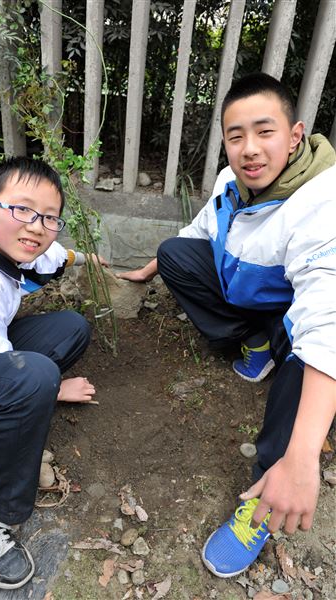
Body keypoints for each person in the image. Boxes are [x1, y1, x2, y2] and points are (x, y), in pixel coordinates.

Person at [118, 73, 336, 577]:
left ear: (296, 135)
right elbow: (203, 231)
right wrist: (154, 266)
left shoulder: (320, 204)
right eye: (236, 136)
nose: (249, 149)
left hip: (302, 321)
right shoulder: (231, 182)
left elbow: (326, 323)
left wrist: (304, 458)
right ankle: (253, 346)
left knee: (309, 367)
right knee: (174, 253)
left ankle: (268, 493)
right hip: (259, 305)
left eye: (265, 132)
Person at [0, 157, 108, 589]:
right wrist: (50, 388)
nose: (36, 226)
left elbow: (48, 254)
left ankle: (28, 391)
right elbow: (4, 365)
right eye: (23, 210)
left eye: (49, 217)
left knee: (71, 327)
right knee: (33, 376)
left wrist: (82, 257)